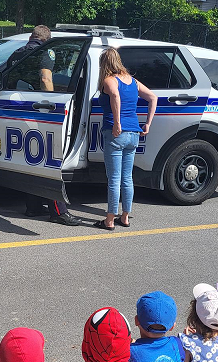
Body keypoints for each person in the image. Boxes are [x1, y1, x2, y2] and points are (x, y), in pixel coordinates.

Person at [8, 25, 80, 226]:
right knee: (49, 161)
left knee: (33, 159)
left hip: (20, 110)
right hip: (40, 111)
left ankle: (33, 206)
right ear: (47, 40)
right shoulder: (44, 52)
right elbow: (46, 78)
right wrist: (52, 103)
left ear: (31, 37)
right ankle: (58, 211)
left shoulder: (17, 53)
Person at [94, 47, 157, 231]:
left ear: (104, 64)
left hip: (116, 134)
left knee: (114, 178)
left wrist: (117, 122)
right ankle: (125, 217)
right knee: (127, 178)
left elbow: (114, 95)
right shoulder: (133, 81)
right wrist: (147, 124)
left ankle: (109, 220)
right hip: (133, 134)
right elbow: (153, 97)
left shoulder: (109, 80)